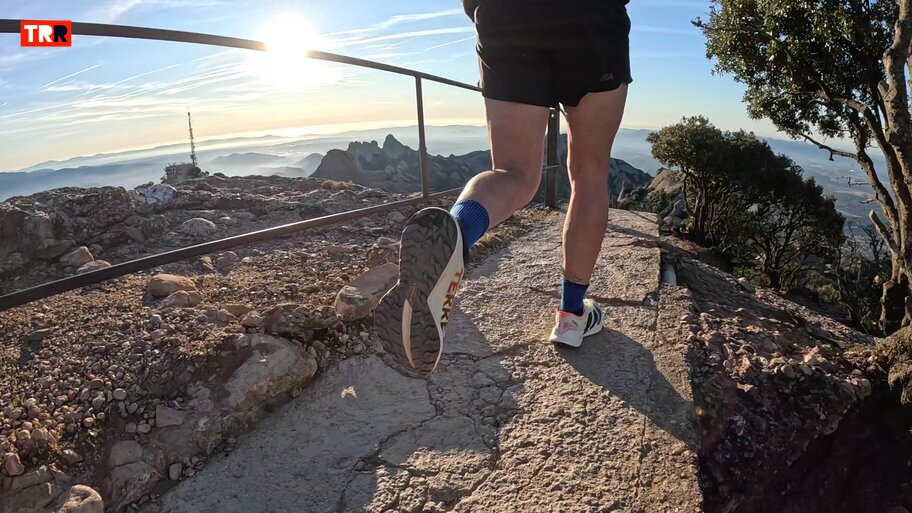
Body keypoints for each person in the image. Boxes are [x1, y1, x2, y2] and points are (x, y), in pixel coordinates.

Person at [375, 0, 632, 374]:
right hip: (591, 16)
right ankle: (572, 315)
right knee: (589, 174)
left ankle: (456, 234)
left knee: (513, 172)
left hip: (505, 15)